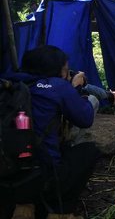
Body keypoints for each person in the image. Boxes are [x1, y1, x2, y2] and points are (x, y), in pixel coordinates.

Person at [1, 45, 101, 219]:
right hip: (43, 176)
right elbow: (85, 119)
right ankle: (59, 211)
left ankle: (25, 205)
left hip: (7, 175)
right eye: (65, 70)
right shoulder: (57, 86)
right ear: (56, 70)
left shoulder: (10, 83)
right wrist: (74, 88)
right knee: (90, 151)